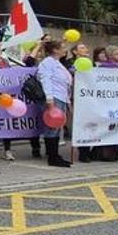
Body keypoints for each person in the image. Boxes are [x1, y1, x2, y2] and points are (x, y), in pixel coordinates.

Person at [37, 39, 73, 167]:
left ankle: (55, 154)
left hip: (61, 97)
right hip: (54, 97)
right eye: (62, 47)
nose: (65, 50)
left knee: (57, 127)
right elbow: (46, 80)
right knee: (52, 127)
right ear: (55, 50)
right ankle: (52, 156)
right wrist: (50, 99)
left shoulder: (57, 63)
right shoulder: (47, 63)